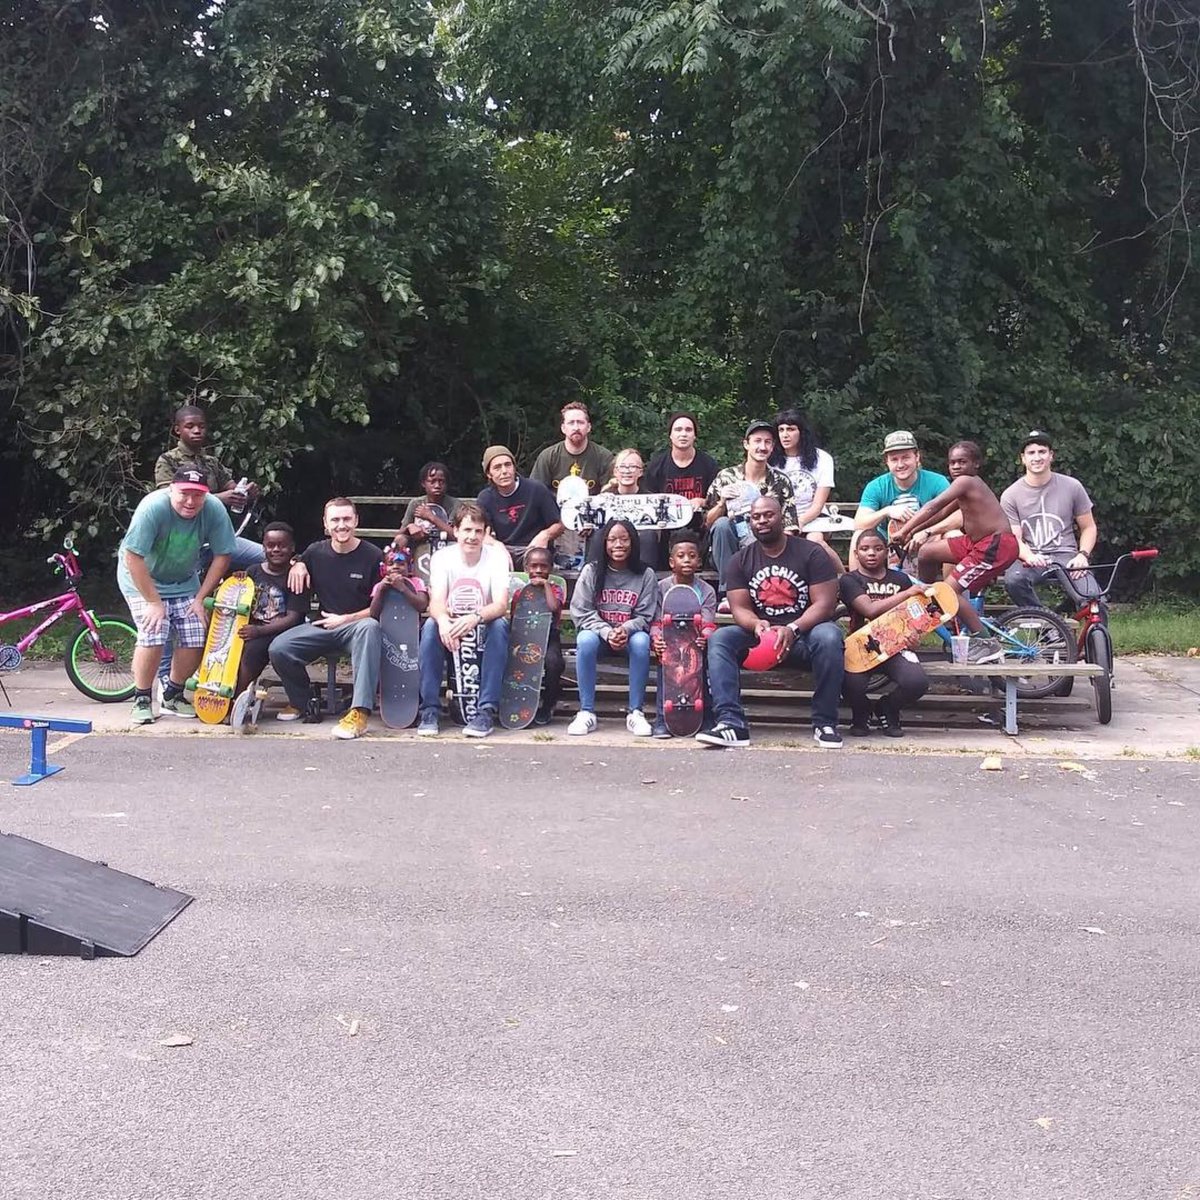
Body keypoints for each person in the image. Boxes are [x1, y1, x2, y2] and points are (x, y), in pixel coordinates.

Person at [698, 495, 844, 749]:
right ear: (750, 522)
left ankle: (825, 723)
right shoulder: (740, 560)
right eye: (756, 517)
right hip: (760, 639)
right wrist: (756, 625)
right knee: (720, 638)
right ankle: (731, 724)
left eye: (768, 515)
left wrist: (793, 627)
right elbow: (739, 607)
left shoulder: (811, 553)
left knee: (830, 636)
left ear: (782, 516)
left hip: (803, 636)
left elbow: (825, 604)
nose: (762, 521)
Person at [119, 467, 236, 725]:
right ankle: (141, 698)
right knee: (154, 631)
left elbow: (223, 553)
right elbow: (133, 557)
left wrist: (200, 598)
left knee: (196, 633)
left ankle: (173, 693)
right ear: (171, 489)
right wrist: (153, 602)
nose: (191, 501)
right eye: (185, 493)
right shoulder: (152, 508)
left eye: (198, 495)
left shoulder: (214, 509)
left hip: (184, 581)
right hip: (141, 579)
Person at [272, 498, 383, 739]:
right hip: (322, 626)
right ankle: (303, 702)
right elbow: (300, 558)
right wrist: (298, 563)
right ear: (325, 524)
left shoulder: (373, 556)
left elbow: (379, 609)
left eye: (346, 519)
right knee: (279, 648)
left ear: (356, 521)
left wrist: (346, 619)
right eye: (335, 520)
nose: (341, 525)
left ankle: (359, 712)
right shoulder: (315, 552)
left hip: (357, 627)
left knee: (371, 627)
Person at [890, 470, 1016, 660]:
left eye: (963, 462)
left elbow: (932, 506)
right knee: (927, 552)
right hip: (976, 543)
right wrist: (915, 531)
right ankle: (926, 599)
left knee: (948, 592)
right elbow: (940, 514)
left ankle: (986, 643)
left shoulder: (967, 481)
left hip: (994, 546)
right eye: (953, 462)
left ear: (975, 465)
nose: (957, 466)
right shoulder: (964, 491)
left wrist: (904, 530)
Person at [417, 502, 512, 738]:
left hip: (483, 620)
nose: (472, 537)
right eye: (467, 530)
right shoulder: (441, 558)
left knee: (500, 626)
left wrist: (475, 617)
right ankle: (429, 709)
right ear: (455, 530)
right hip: (452, 621)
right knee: (430, 627)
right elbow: (436, 601)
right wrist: (443, 621)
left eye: (478, 531)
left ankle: (486, 710)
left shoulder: (496, 558)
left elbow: (501, 604)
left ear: (485, 533)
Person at [567, 519, 659, 737]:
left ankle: (635, 712)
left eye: (624, 539)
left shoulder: (645, 574)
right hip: (600, 637)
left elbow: (646, 615)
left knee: (642, 641)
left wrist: (625, 630)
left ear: (633, 542)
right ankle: (586, 711)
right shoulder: (592, 571)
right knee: (585, 640)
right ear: (604, 543)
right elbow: (581, 610)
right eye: (613, 539)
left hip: (629, 636)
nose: (619, 545)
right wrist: (607, 632)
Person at [837, 530, 931, 737]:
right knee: (849, 682)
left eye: (878, 549)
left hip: (896, 647)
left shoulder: (901, 580)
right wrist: (906, 594)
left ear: (887, 552)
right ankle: (861, 714)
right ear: (856, 553)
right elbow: (869, 610)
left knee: (917, 682)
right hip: (862, 646)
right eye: (865, 549)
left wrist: (914, 637)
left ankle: (888, 708)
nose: (871, 553)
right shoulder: (849, 580)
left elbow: (913, 618)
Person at [153, 403, 262, 571]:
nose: (197, 431)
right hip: (183, 542)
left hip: (217, 538)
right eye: (190, 426)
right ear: (177, 430)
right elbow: (167, 499)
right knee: (190, 592)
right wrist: (220, 498)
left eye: (201, 426)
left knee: (267, 557)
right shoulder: (168, 461)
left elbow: (231, 487)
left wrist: (245, 493)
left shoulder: (211, 462)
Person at [1000, 430, 1101, 609]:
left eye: (1042, 452)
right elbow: (1014, 538)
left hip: (1068, 556)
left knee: (1093, 598)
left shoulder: (1072, 486)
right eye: (1031, 453)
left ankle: (1096, 636)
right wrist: (1029, 556)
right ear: (1023, 458)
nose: (1037, 457)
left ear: (1051, 456)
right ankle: (1048, 628)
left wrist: (1083, 555)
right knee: (1014, 581)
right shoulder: (1010, 495)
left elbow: (1089, 527)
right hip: (1032, 556)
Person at [704, 419, 798, 596]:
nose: (762, 447)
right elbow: (707, 523)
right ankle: (729, 593)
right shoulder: (726, 477)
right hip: (728, 550)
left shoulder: (780, 481)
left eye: (768, 442)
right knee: (722, 524)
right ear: (746, 444)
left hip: (766, 547)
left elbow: (790, 527)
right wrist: (722, 502)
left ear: (772, 447)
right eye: (757, 441)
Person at [233, 522, 310, 706]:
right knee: (228, 646)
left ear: (292, 547)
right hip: (253, 628)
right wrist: (238, 582)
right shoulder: (253, 571)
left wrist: (258, 631)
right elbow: (241, 602)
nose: (276, 549)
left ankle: (238, 700)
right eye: (271, 545)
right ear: (263, 547)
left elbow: (293, 618)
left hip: (283, 632)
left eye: (282, 545)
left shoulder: (295, 576)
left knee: (253, 650)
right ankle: (221, 693)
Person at [650, 530, 718, 739]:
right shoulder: (661, 588)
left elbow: (708, 623)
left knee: (699, 669)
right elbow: (654, 621)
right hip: (669, 644)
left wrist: (704, 637)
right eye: (681, 556)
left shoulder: (706, 590)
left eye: (692, 556)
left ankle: (705, 717)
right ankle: (662, 718)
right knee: (668, 669)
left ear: (699, 561)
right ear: (671, 562)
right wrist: (656, 640)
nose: (687, 560)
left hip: (694, 644)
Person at [851, 429, 950, 570]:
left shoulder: (937, 482)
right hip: (888, 544)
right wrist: (887, 511)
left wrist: (930, 532)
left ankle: (952, 591)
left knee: (954, 535)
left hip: (929, 540)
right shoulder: (876, 486)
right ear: (887, 462)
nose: (900, 464)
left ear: (917, 457)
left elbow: (958, 517)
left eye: (905, 457)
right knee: (858, 536)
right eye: (894, 459)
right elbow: (859, 523)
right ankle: (857, 588)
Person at [476, 445, 561, 560]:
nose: (504, 471)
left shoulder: (536, 489)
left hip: (536, 551)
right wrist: (495, 544)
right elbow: (480, 532)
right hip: (505, 551)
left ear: (514, 467)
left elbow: (560, 524)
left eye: (508, 465)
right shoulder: (485, 498)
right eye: (497, 468)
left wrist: (545, 535)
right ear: (489, 474)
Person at [643, 411, 720, 517]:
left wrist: (701, 502)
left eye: (688, 430)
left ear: (694, 435)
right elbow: (647, 501)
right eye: (678, 430)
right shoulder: (656, 466)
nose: (683, 434)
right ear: (670, 435)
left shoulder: (709, 465)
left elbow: (717, 502)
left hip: (700, 523)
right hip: (665, 523)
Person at [521, 545, 565, 726]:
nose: (538, 570)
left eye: (543, 566)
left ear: (551, 569)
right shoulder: (520, 591)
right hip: (524, 636)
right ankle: (517, 703)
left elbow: (554, 607)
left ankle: (548, 703)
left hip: (549, 636)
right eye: (534, 566)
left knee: (554, 662)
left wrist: (545, 585)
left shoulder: (555, 589)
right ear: (526, 569)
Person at [529, 401, 615, 494]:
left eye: (580, 422)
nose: (576, 427)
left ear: (589, 427)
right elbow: (535, 493)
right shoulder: (548, 457)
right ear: (563, 428)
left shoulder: (603, 457)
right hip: (555, 508)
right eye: (571, 423)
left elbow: (609, 494)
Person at [601, 447, 658, 565]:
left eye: (633, 467)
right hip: (612, 546)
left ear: (640, 471)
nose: (627, 471)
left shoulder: (651, 499)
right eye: (622, 467)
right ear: (615, 471)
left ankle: (646, 576)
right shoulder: (604, 498)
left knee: (649, 536)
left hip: (641, 547)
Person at [394, 462, 459, 553]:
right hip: (419, 546)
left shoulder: (454, 504)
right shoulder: (416, 503)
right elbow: (400, 533)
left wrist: (431, 517)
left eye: (441, 481)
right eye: (432, 481)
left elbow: (457, 535)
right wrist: (410, 527)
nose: (437, 486)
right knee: (400, 540)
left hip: (446, 546)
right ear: (423, 483)